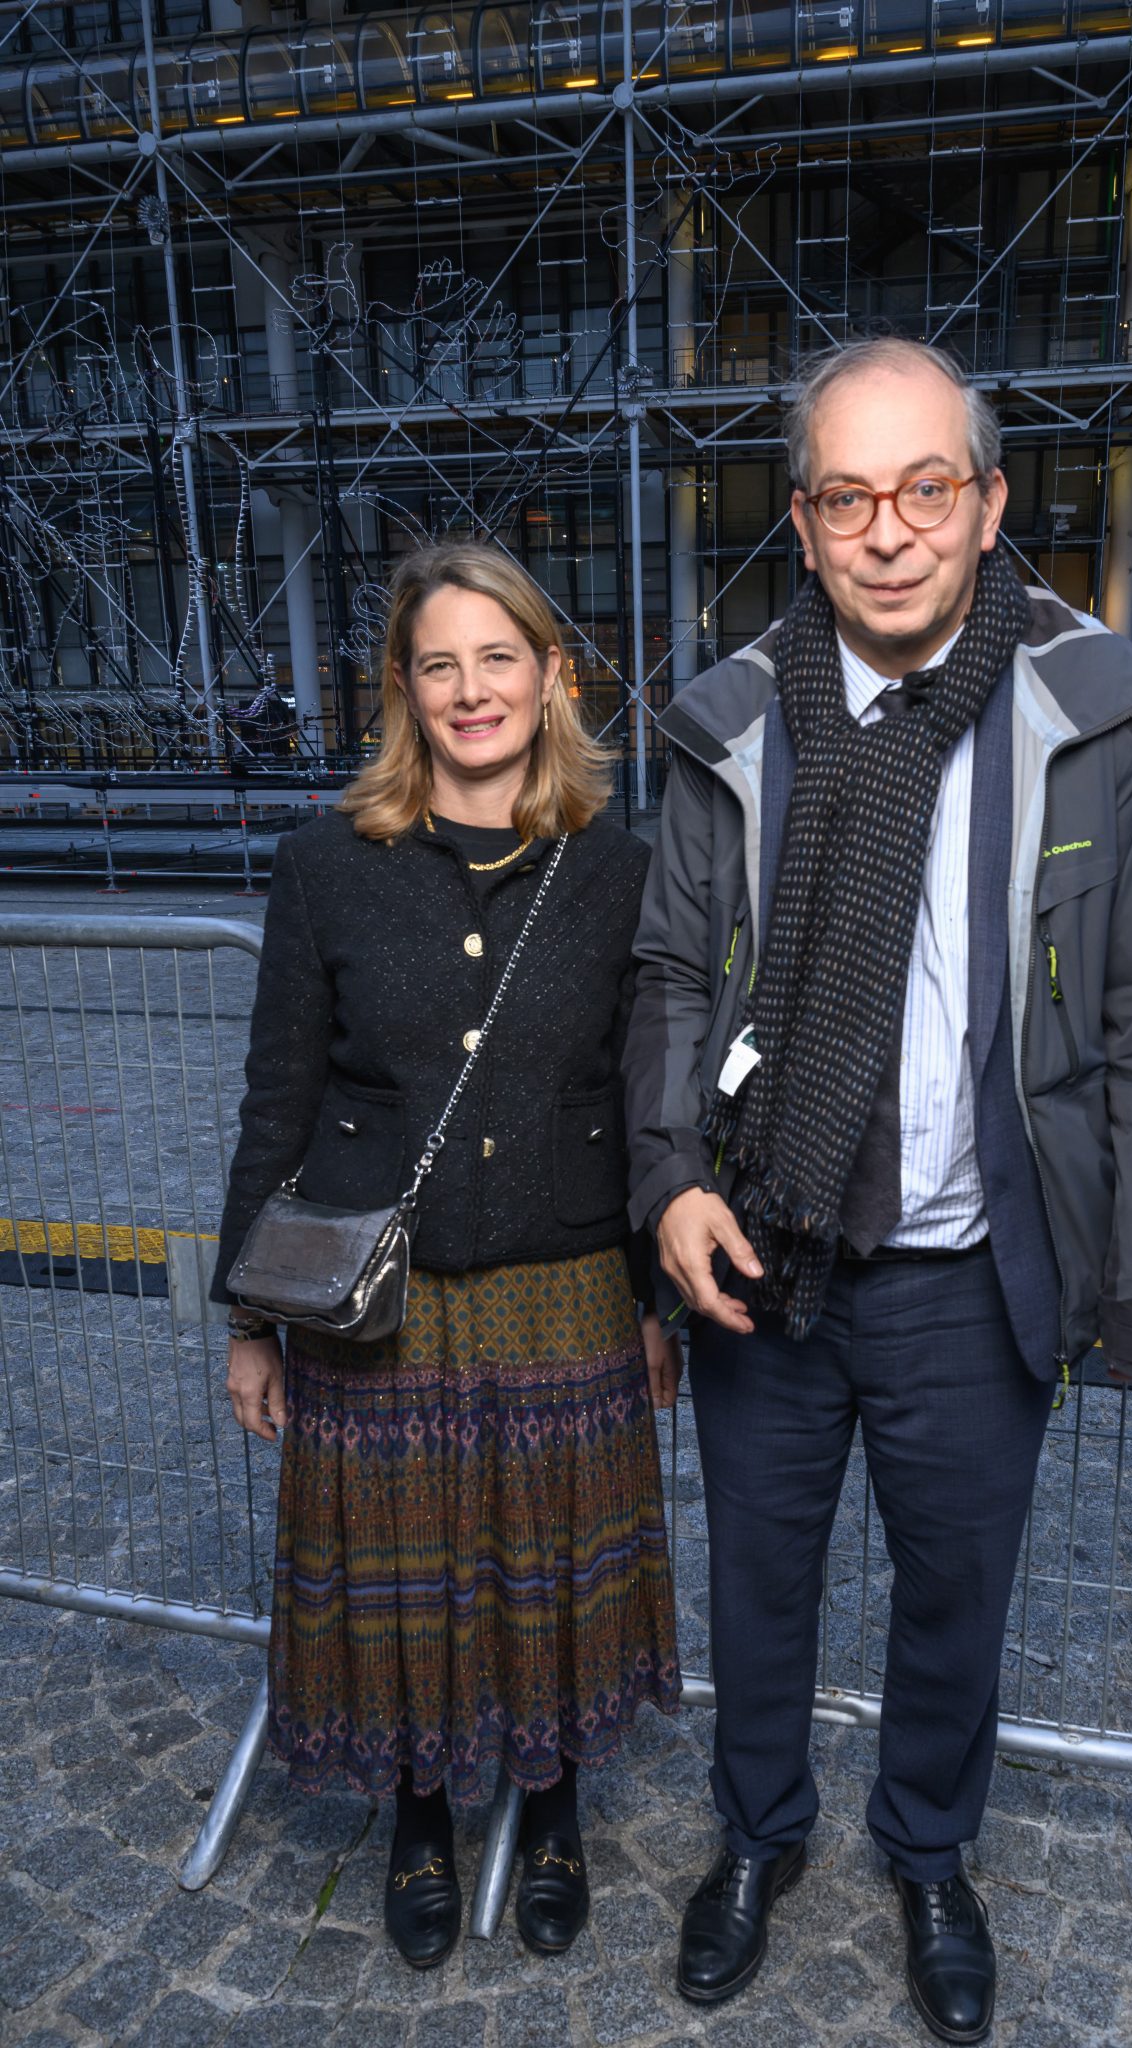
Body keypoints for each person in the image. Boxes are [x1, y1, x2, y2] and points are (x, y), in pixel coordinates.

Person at [622, 337, 1132, 2041]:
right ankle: (755, 1840)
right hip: (767, 1248)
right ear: (802, 528)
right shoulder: (735, 722)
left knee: (958, 1594)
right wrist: (668, 1182)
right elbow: (672, 973)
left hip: (972, 1271)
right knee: (756, 1580)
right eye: (844, 496)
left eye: (924, 489)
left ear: (985, 506)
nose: (886, 531)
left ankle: (929, 1851)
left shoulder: (1092, 710)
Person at [215, 540, 681, 1972]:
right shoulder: (323, 867)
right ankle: (417, 1815)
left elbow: (648, 1093)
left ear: (552, 677)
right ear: (402, 693)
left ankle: (550, 1812)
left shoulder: (618, 866)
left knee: (549, 1574)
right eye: (438, 663)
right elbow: (276, 1097)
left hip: (567, 1292)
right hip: (379, 1306)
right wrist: (244, 1315)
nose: (470, 689)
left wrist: (656, 1302)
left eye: (498, 657)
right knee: (401, 1575)